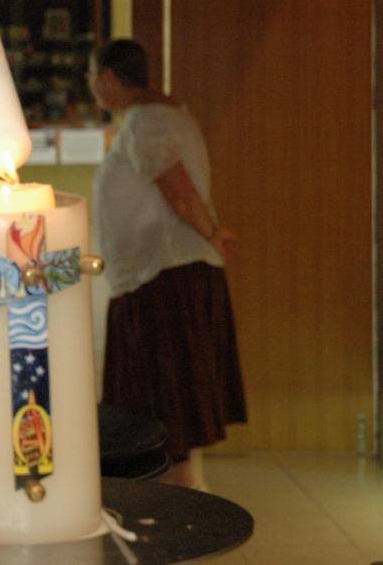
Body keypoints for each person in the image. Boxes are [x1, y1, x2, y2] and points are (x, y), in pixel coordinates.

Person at [89, 38, 246, 490]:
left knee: (166, 415)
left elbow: (177, 190)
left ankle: (179, 506)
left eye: (93, 80)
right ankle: (181, 499)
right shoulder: (169, 114)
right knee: (172, 417)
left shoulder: (147, 122)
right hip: (165, 276)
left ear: (109, 79)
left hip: (163, 278)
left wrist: (212, 232)